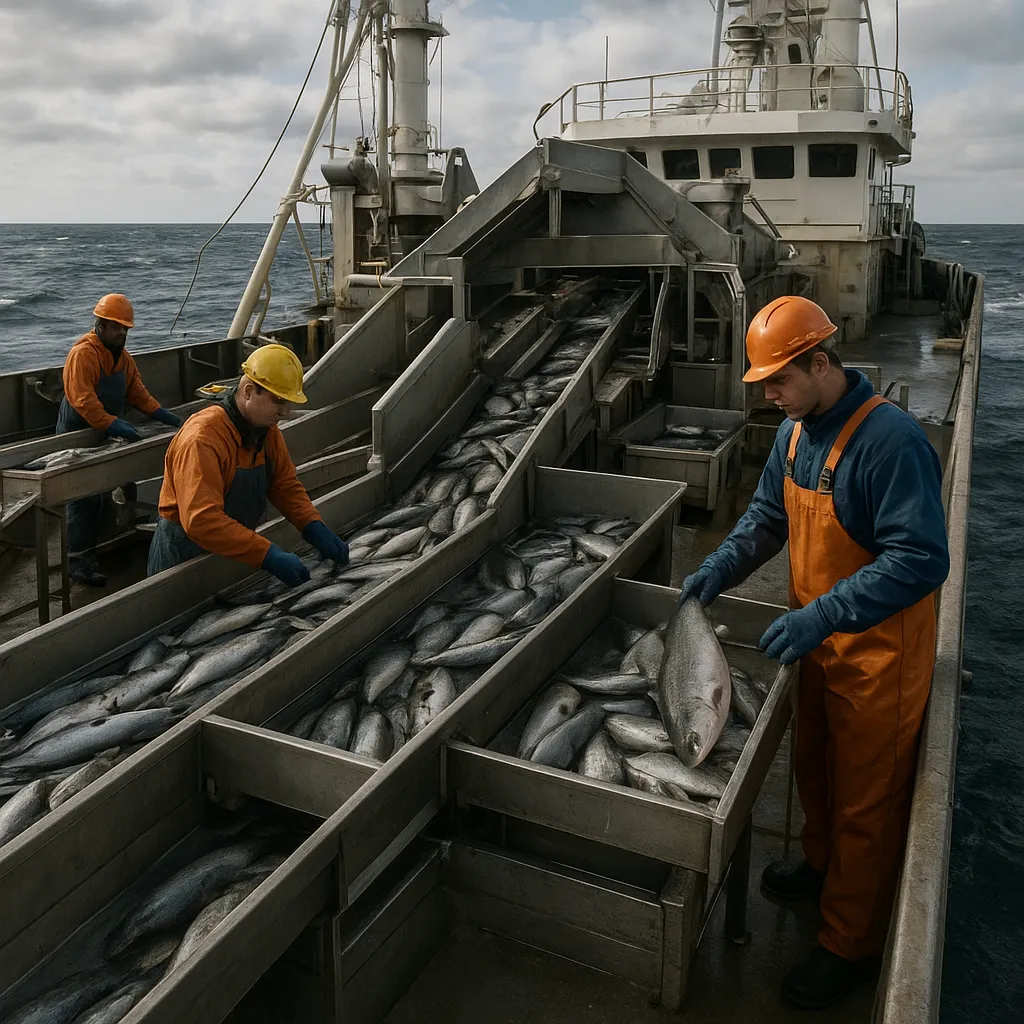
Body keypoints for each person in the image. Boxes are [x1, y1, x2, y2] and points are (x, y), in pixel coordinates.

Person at [680, 296, 949, 1009]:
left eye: (777, 380)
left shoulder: (889, 442)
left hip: (878, 660)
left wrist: (825, 613)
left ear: (821, 365)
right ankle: (822, 866)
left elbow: (921, 558)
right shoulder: (794, 436)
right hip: (821, 647)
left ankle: (847, 942)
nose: (768, 394)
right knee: (817, 770)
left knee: (866, 800)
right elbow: (768, 517)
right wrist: (723, 564)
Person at [147, 343, 348, 585]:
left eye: (288, 403)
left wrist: (312, 524)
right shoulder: (203, 439)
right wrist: (267, 554)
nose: (285, 412)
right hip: (182, 559)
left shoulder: (267, 431)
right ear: (249, 392)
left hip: (235, 551)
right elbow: (201, 520)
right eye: (278, 401)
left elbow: (284, 486)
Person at [58, 294, 182, 586]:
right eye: (115, 327)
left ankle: (96, 549)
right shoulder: (84, 354)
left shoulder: (123, 358)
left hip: (106, 431)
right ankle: (78, 561)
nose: (121, 332)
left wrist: (163, 414)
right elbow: (83, 400)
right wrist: (114, 424)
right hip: (79, 432)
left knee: (100, 493)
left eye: (125, 328)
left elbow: (136, 392)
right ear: (100, 325)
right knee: (82, 498)